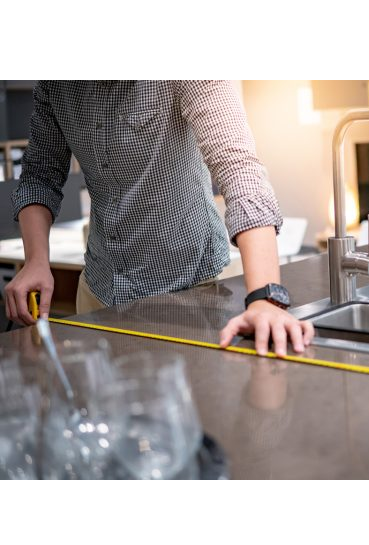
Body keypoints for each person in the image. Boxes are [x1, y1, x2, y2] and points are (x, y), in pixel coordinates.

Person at [4, 80, 314, 356]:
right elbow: (39, 177)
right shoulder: (56, 84)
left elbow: (238, 168)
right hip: (99, 292)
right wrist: (35, 261)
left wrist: (265, 298)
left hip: (191, 293)